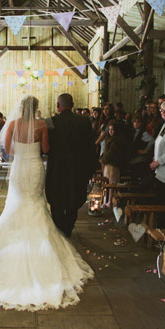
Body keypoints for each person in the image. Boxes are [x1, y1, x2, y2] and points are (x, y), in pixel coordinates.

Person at [0, 95, 94, 310]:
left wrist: (22, 152)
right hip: (35, 167)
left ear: (21, 108)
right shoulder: (41, 125)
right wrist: (35, 150)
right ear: (37, 108)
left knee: (16, 204)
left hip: (20, 167)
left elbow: (8, 148)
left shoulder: (12, 124)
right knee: (36, 201)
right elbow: (47, 149)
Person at [46, 93, 97, 237]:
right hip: (77, 167)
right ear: (73, 105)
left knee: (56, 197)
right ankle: (67, 227)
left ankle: (59, 227)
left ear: (58, 106)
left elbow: (46, 147)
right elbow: (90, 147)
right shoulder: (84, 121)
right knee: (73, 197)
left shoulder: (50, 121)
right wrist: (91, 168)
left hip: (57, 167)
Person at [100, 121, 129, 208]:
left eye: (112, 130)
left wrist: (103, 160)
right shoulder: (110, 138)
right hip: (109, 162)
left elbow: (112, 152)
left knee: (112, 183)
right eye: (109, 129)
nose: (110, 131)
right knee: (110, 182)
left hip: (113, 163)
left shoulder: (117, 140)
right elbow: (106, 151)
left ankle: (110, 201)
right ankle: (108, 200)